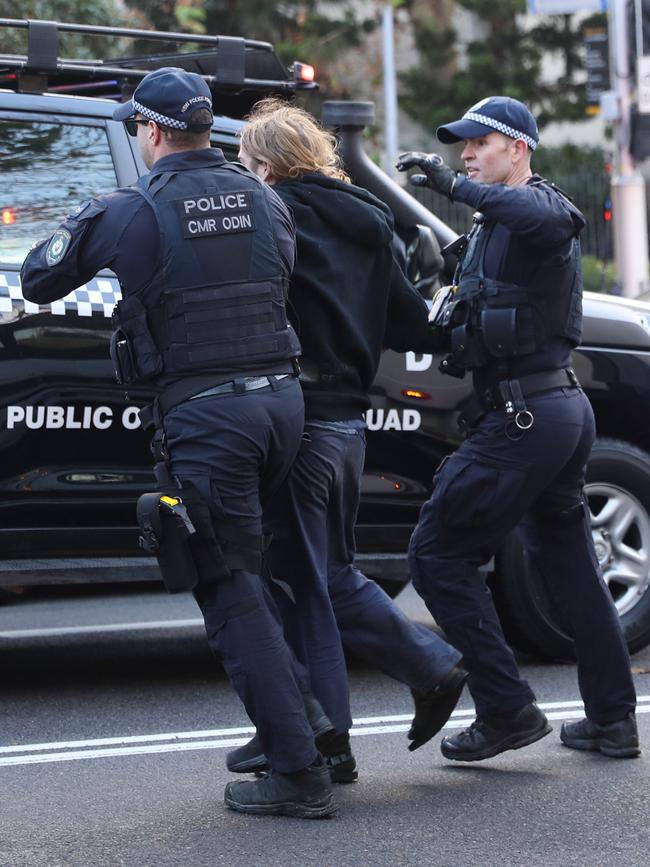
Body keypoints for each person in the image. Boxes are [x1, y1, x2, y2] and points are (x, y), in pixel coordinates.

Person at [20, 67, 340, 819]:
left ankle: (299, 771)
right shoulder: (266, 198)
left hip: (209, 414)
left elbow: (38, 279)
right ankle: (306, 725)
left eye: (137, 127)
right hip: (280, 406)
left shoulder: (133, 208)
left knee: (224, 582)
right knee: (249, 571)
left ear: (153, 132)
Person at [226, 98, 467, 781]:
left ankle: (344, 728)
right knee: (320, 572)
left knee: (306, 580)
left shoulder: (273, 216)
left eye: (246, 162)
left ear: (268, 164)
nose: (243, 174)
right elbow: (411, 325)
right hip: (349, 424)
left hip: (297, 420)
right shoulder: (368, 219)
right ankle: (323, 728)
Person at [396, 95, 640, 762]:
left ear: (518, 148)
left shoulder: (541, 208)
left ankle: (506, 709)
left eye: (479, 144)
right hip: (541, 415)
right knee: (570, 568)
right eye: (460, 147)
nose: (466, 154)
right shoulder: (486, 233)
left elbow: (553, 218)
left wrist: (451, 185)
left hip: (530, 416)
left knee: (437, 553)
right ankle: (614, 719)